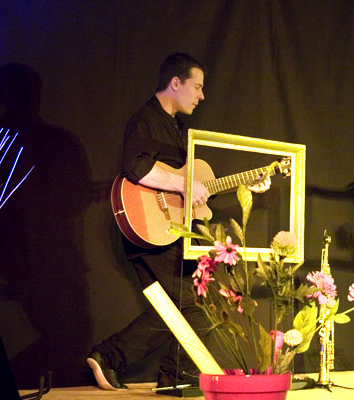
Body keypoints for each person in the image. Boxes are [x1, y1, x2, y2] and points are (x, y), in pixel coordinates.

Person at [87, 53, 270, 391]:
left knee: (190, 305)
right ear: (175, 83)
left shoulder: (176, 127)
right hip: (150, 225)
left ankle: (173, 377)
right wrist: (185, 184)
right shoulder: (145, 119)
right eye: (197, 87)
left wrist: (244, 184)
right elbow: (136, 167)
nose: (201, 96)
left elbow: (194, 191)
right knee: (188, 303)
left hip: (170, 230)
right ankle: (110, 356)